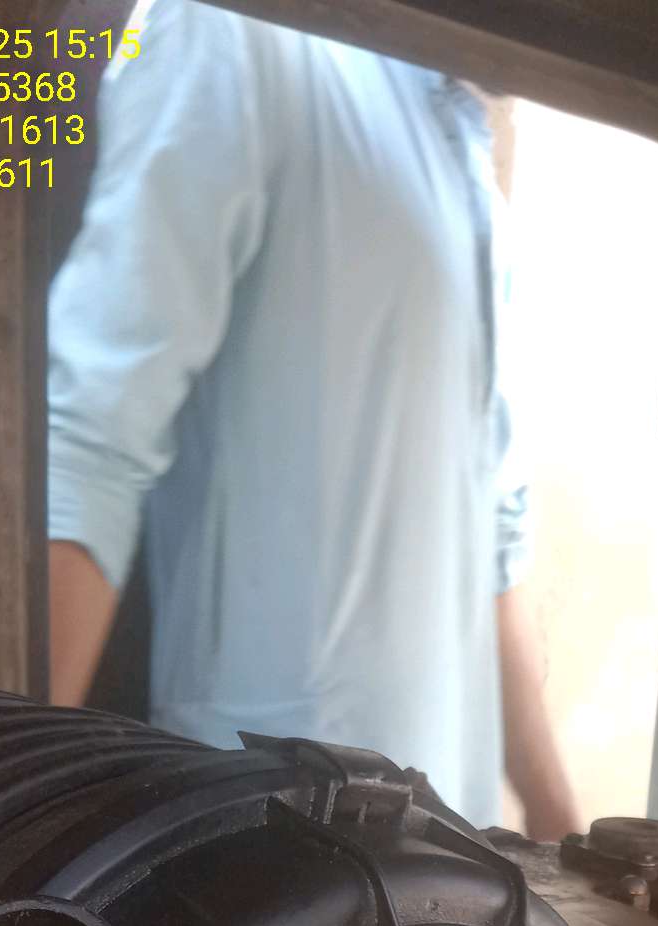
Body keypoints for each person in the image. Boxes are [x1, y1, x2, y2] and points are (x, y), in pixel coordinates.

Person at [45, 0, 579, 838]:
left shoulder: (467, 154)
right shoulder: (239, 34)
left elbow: (494, 554)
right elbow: (89, 452)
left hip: (455, 861)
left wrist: (566, 839)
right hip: (268, 853)